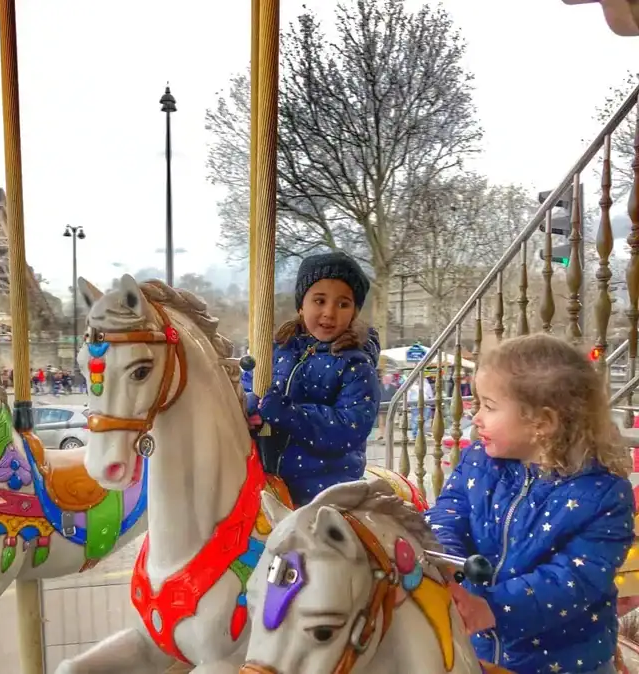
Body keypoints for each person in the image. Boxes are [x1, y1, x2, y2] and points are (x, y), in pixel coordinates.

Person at [426, 333, 634, 674]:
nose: (475, 418)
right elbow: (450, 510)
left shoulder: (603, 496)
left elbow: (575, 580)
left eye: (489, 406)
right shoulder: (481, 460)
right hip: (476, 649)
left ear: (543, 423)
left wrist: (493, 608)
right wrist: (447, 558)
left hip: (564, 663)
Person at [242, 251, 381, 506]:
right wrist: (249, 403)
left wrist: (289, 414)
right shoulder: (276, 348)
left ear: (354, 312)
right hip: (266, 478)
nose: (329, 312)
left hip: (325, 486)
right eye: (319, 300)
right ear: (301, 305)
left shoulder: (356, 364)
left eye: (343, 304)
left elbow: (351, 425)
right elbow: (249, 383)